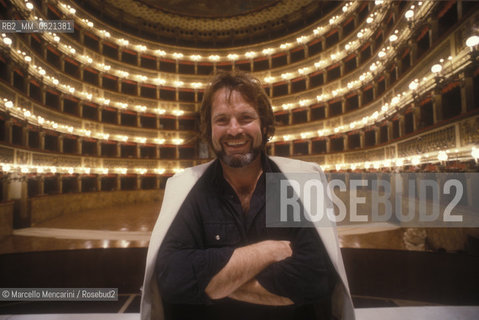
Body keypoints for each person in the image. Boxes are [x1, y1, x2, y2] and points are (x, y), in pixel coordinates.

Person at [140, 71, 355, 320]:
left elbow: (315, 278)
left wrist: (214, 282)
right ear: (209, 129)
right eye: (222, 120)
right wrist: (264, 252)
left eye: (245, 118)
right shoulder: (187, 188)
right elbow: (172, 278)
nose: (234, 130)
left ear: (264, 125)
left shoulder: (302, 181)